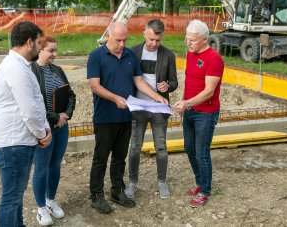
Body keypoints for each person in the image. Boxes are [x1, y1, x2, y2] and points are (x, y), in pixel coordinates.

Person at [87, 21, 168, 214]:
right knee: (101, 158)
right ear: (108, 36)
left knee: (119, 157)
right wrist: (115, 98)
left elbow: (138, 81)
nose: (122, 44)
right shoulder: (96, 56)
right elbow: (94, 86)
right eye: (118, 40)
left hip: (125, 116)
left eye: (125, 40)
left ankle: (117, 191)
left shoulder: (130, 55)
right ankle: (96, 195)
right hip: (105, 117)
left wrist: (157, 97)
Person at [0, 21, 52, 227]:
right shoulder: (15, 69)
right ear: (29, 42)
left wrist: (42, 129)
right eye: (38, 43)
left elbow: (34, 104)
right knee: (11, 198)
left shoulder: (19, 66)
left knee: (15, 196)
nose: (40, 48)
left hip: (18, 141)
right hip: (14, 143)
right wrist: (41, 134)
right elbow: (29, 110)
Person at [172, 19, 224, 207]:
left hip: (206, 113)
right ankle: (199, 181)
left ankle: (205, 190)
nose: (189, 43)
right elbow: (191, 83)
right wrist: (183, 106)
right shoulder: (191, 54)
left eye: (192, 40)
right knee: (189, 148)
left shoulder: (214, 58)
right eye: (187, 39)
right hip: (190, 111)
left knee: (202, 152)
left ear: (204, 39)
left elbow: (209, 91)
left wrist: (187, 103)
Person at [125, 19, 178, 199]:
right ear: (144, 34)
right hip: (138, 108)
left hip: (159, 109)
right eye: (151, 40)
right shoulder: (133, 53)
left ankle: (162, 182)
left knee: (161, 147)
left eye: (158, 40)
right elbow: (128, 79)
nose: (154, 43)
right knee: (135, 147)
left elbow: (174, 81)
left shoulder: (168, 55)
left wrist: (167, 86)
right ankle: (132, 182)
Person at [31, 36, 76, 225]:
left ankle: (50, 201)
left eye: (55, 50)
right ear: (40, 50)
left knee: (55, 165)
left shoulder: (57, 71)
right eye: (51, 51)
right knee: (41, 169)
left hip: (61, 126)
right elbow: (33, 104)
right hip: (44, 129)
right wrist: (55, 117)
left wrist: (65, 115)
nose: (54, 54)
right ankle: (40, 208)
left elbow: (71, 95)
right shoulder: (31, 72)